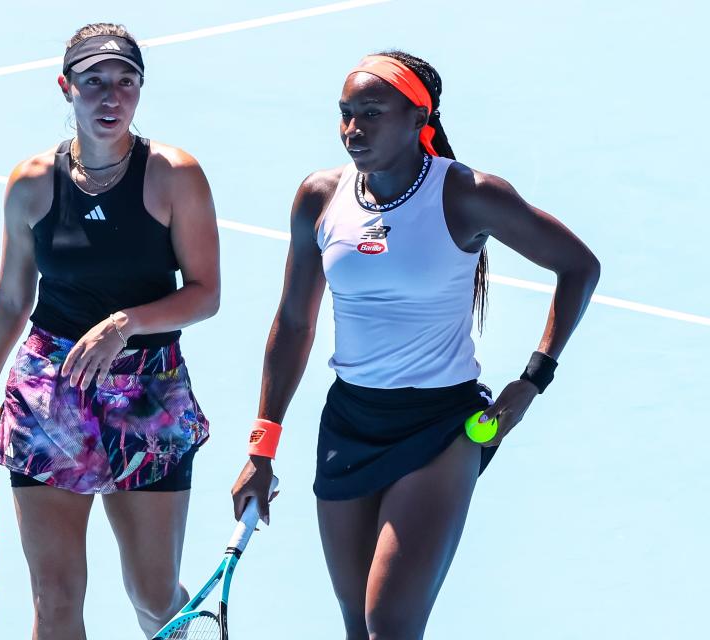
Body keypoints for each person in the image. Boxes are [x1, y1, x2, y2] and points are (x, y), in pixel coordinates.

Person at [231, 50, 600, 639]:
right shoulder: (319, 197)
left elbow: (579, 266)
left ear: (418, 118)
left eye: (372, 113)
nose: (354, 129)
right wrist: (262, 446)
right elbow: (294, 326)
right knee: (358, 627)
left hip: (442, 427)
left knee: (390, 623)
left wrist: (532, 381)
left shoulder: (469, 195)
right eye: (345, 113)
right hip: (349, 423)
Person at [0, 23, 219, 639]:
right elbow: (12, 298)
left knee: (156, 598)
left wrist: (126, 325)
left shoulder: (174, 176)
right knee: (56, 597)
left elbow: (205, 294)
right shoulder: (31, 183)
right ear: (66, 87)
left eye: (126, 83)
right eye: (94, 82)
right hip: (49, 396)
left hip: (148, 397)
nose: (111, 98)